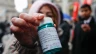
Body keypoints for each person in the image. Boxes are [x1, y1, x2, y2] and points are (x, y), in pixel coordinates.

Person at [3, 0, 67, 54]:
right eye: (39, 13)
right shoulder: (18, 38)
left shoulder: (62, 35)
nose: (43, 17)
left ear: (56, 19)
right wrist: (25, 47)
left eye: (49, 15)